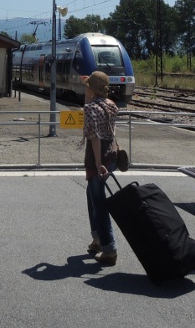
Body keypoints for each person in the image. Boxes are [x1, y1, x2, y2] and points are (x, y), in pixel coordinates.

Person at [81, 71, 118, 265]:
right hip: (111, 155)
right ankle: (97, 239)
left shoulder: (90, 108)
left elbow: (94, 137)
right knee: (92, 196)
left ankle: (109, 248)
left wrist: (97, 163)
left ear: (91, 89)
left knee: (99, 202)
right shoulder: (111, 105)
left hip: (98, 158)